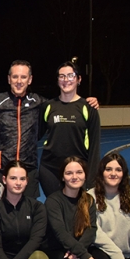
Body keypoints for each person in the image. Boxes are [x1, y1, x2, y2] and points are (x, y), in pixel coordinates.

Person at [0, 60, 99, 197]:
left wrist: (91, 101)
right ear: (9, 79)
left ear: (30, 80)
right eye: (15, 77)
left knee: (29, 213)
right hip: (0, 169)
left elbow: (44, 126)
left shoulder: (41, 103)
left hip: (29, 169)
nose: (19, 81)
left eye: (23, 77)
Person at [38, 62, 101, 197]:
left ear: (79, 80)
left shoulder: (88, 108)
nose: (66, 80)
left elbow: (95, 146)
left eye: (71, 76)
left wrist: (91, 179)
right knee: (55, 210)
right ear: (57, 80)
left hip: (77, 170)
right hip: (50, 170)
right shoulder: (48, 106)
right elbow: (34, 135)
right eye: (62, 76)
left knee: (76, 213)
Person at [45, 157, 98, 259]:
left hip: (75, 251)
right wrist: (82, 254)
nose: (74, 177)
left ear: (85, 175)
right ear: (62, 177)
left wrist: (78, 251)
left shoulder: (88, 200)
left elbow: (91, 229)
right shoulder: (53, 201)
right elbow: (60, 232)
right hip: (56, 250)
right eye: (69, 173)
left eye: (79, 172)